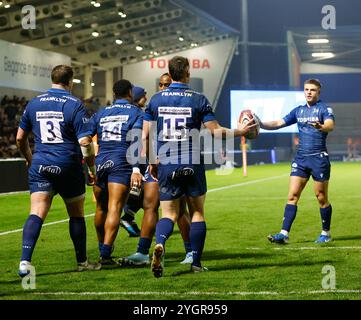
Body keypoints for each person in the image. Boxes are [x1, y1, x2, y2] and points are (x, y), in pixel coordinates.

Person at [144, 56, 255, 277]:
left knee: (168, 214)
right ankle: (195, 263)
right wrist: (242, 131)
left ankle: (161, 244)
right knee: (197, 213)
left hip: (166, 162)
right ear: (186, 71)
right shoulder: (198, 99)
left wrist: (151, 161)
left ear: (169, 72)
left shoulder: (155, 100)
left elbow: (145, 135)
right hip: (192, 162)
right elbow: (215, 132)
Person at [16, 65, 101, 277]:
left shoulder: (34, 103)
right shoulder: (74, 104)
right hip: (67, 165)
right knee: (76, 214)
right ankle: (82, 262)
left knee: (37, 212)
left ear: (52, 79)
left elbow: (19, 138)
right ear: (70, 81)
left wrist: (30, 159)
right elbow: (85, 142)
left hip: (41, 164)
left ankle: (25, 262)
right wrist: (91, 168)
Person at [120, 81, 193, 266]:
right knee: (150, 206)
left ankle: (190, 251)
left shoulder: (158, 105)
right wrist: (147, 163)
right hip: (158, 164)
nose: (163, 86)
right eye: (161, 83)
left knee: (180, 210)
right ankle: (143, 251)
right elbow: (144, 136)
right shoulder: (156, 105)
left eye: (167, 83)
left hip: (171, 162)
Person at [259, 79, 335, 244]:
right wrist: (261, 124)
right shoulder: (298, 111)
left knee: (321, 197)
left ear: (318, 92)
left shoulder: (324, 109)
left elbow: (330, 124)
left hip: (318, 158)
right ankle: (284, 234)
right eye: (306, 89)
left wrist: (321, 126)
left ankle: (326, 233)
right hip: (301, 158)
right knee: (292, 195)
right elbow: (279, 123)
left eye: (312, 90)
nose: (309, 92)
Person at [90, 79, 143, 266]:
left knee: (100, 208)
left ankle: (101, 246)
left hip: (101, 162)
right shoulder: (136, 112)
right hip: (122, 161)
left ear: (114, 94)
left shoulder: (101, 113)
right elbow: (136, 140)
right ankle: (105, 254)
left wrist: (89, 167)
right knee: (115, 208)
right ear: (130, 92)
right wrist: (136, 169)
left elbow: (86, 139)